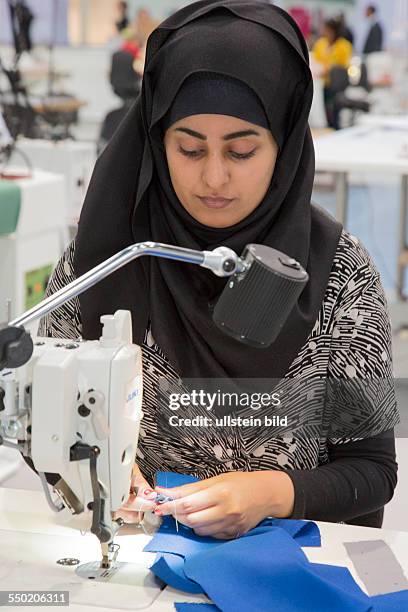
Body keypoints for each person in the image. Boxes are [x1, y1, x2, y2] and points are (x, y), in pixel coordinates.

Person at [39, 0, 398, 539]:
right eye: (188, 148)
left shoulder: (338, 273)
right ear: (157, 142)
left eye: (242, 151)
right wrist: (98, 475)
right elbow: (46, 425)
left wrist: (273, 493)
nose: (213, 178)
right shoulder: (107, 261)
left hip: (291, 559)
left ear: (286, 147)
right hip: (145, 555)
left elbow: (372, 471)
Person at [313, 18, 353, 128]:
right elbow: (316, 61)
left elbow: (344, 65)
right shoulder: (320, 43)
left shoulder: (344, 45)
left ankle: (335, 127)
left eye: (327, 29)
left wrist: (329, 68)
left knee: (335, 109)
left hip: (337, 84)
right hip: (321, 82)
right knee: (323, 109)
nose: (324, 32)